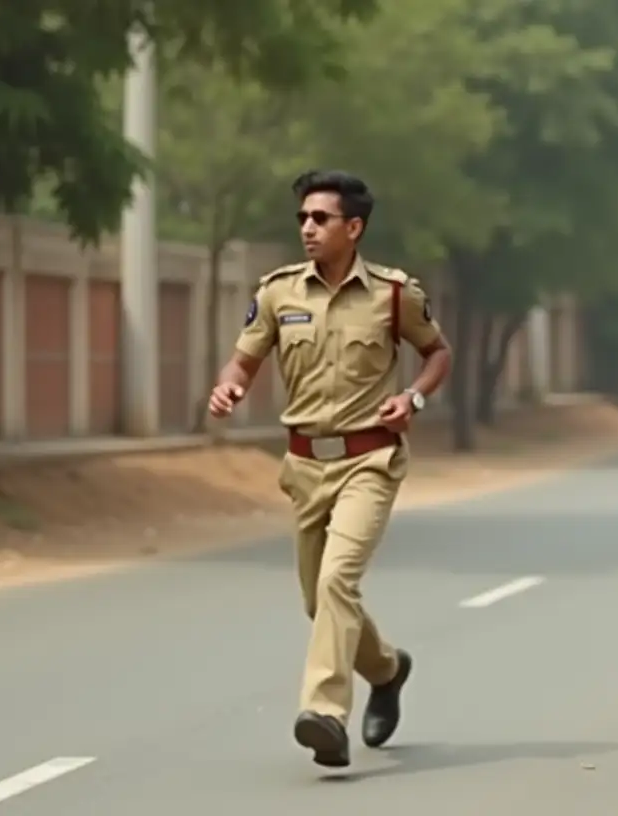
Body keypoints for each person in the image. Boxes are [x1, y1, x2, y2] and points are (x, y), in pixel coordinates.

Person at [206, 169, 453, 767]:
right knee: (320, 603)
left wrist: (413, 398)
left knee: (338, 580)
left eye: (320, 219)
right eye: (303, 219)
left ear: (354, 227)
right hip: (304, 466)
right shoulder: (277, 293)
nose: (308, 229)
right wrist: (229, 389)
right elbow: (243, 361)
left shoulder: (394, 294)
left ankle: (325, 713)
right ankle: (388, 670)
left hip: (370, 459)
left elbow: (437, 353)